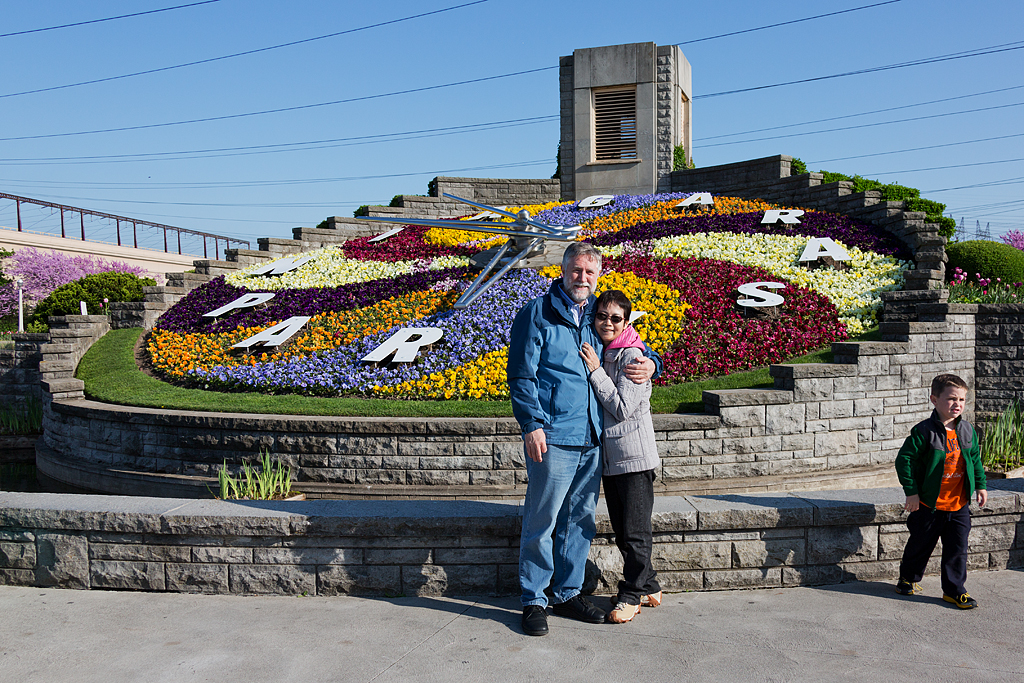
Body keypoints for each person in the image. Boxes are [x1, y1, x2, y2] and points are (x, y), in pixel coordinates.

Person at [507, 242, 660, 637]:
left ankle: (566, 591)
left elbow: (631, 339)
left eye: (590, 273)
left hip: (593, 440)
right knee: (543, 520)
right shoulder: (537, 314)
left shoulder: (595, 314)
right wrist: (531, 424)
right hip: (553, 436)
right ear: (563, 271)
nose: (583, 279)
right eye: (576, 271)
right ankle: (535, 599)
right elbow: (522, 376)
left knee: (579, 522)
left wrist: (653, 361)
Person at [580, 290, 662, 624]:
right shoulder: (607, 348)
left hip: (633, 459)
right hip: (614, 459)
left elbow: (622, 408)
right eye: (602, 316)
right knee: (625, 530)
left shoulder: (632, 357)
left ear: (626, 322)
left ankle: (632, 595)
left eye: (616, 318)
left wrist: (596, 372)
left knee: (634, 533)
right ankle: (652, 585)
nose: (608, 323)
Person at [894, 373, 987, 609]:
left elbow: (975, 460)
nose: (957, 404)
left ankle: (954, 591)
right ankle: (908, 579)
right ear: (934, 400)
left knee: (957, 550)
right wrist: (912, 492)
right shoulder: (924, 431)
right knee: (920, 545)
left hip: (959, 505)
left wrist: (981, 485)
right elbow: (904, 460)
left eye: (962, 400)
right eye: (951, 399)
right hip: (929, 505)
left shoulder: (967, 431)